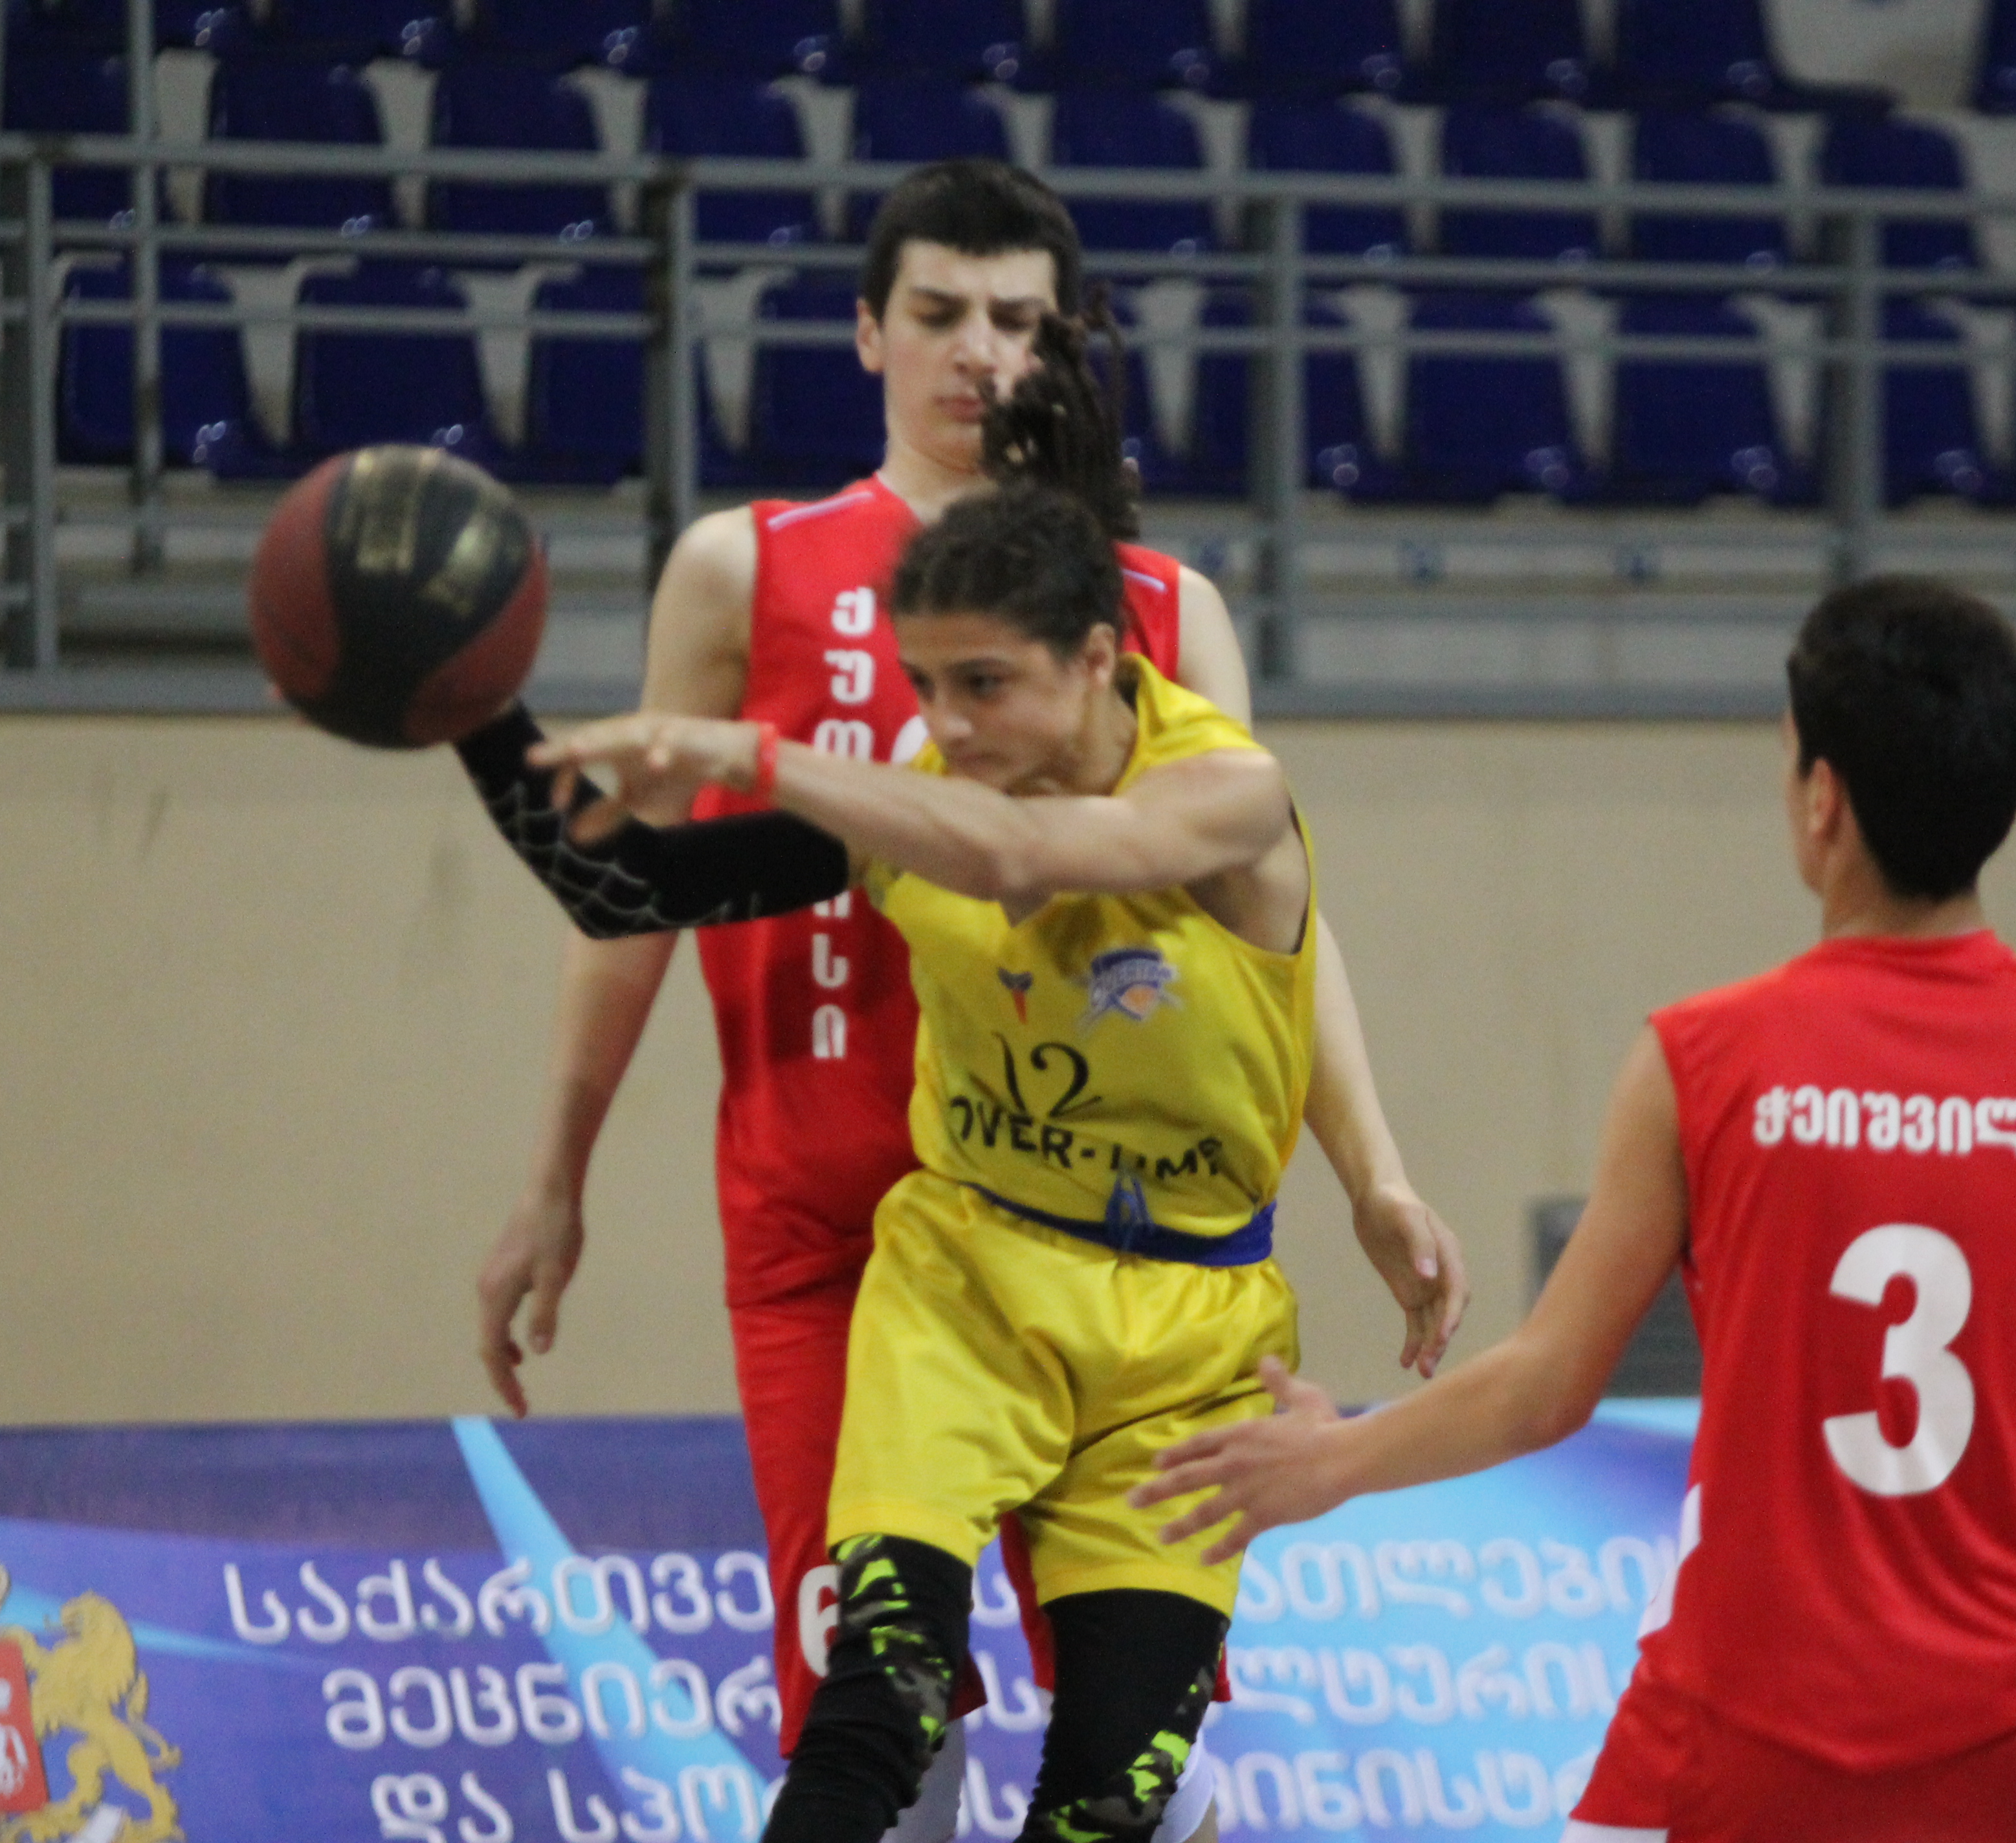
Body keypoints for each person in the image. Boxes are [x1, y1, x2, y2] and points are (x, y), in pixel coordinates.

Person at [471, 161, 1465, 1839]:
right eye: (939, 312)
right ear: (869, 331)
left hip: (1130, 1239)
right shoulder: (751, 567)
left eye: (1017, 320)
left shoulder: (1165, 620)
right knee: (879, 1724)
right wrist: (553, 1170)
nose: (979, 352)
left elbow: (1276, 922)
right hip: (859, 1223)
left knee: (1127, 1765)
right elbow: (631, 895)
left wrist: (1371, 1166)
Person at [1129, 578, 2016, 1843]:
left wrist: (1331, 1459)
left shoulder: (1705, 1057)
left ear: (1821, 797)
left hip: (1755, 1722)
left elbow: (1546, 1385)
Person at [458, 480, 1329, 1843]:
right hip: (968, 1287)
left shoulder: (1227, 790)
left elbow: (1027, 856)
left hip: (1182, 1330)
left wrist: (742, 747)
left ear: (1098, 657)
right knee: (876, 1708)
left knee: (1110, 1802)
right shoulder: (925, 798)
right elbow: (623, 887)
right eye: (925, 685)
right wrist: (468, 705)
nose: (948, 726)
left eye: (985, 683)